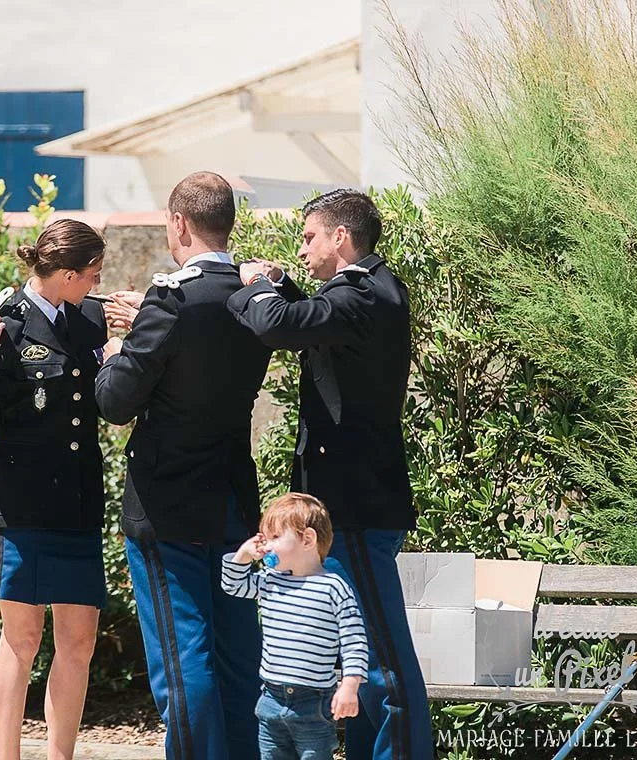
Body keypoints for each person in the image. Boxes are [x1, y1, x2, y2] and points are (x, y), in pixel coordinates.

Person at [227, 188, 434, 760]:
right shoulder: (362, 294)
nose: (301, 248)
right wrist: (278, 286)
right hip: (352, 507)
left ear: (340, 237)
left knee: (385, 665)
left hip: (360, 509)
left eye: (309, 236)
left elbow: (280, 325)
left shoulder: (364, 296)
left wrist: (254, 285)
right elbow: (309, 317)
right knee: (363, 663)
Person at [95, 171, 272, 760]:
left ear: (178, 223)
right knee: (238, 656)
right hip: (232, 498)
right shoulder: (254, 296)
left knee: (183, 658)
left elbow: (116, 401)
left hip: (168, 505)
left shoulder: (171, 296)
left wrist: (118, 348)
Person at [0, 219, 109, 760]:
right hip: (21, 506)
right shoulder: (4, 322)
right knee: (20, 643)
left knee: (79, 642)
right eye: (91, 273)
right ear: (66, 274)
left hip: (76, 502)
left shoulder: (90, 318)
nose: (96, 282)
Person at [222, 492, 369, 760]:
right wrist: (243, 555)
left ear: (307, 539)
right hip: (270, 698)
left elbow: (355, 640)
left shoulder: (333, 588)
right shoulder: (270, 581)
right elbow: (233, 585)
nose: (267, 547)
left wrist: (350, 684)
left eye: (275, 538)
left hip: (312, 703)